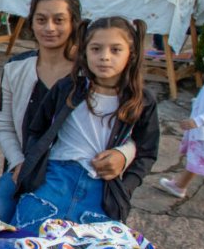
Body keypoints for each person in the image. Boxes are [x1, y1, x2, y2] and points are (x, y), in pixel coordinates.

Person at [0, 0, 135, 222]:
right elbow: (5, 123)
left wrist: (122, 155)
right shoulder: (15, 68)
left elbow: (133, 127)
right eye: (41, 19)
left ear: (74, 23)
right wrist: (19, 162)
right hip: (28, 166)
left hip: (80, 172)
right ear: (31, 22)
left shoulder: (93, 70)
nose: (49, 28)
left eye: (59, 20)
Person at [12, 17, 160, 231]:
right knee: (25, 239)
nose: (104, 57)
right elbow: (36, 128)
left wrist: (126, 187)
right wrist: (34, 167)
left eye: (116, 50)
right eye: (96, 49)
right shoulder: (68, 88)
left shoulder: (142, 101)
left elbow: (147, 151)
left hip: (103, 188)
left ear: (131, 54)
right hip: (56, 177)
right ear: (85, 52)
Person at [159, 42, 204, 198]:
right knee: (195, 161)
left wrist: (198, 120)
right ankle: (179, 185)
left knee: (198, 160)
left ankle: (180, 185)